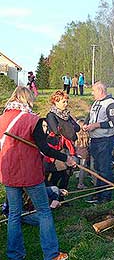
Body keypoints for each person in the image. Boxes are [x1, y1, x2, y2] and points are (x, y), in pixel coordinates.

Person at [0, 86, 75, 260]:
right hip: (29, 174)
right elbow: (45, 149)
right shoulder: (32, 120)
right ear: (27, 99)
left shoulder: (2, 118)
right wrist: (65, 158)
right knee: (44, 212)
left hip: (9, 173)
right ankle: (52, 254)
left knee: (14, 214)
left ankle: (14, 255)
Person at [83, 82, 114, 203]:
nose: (92, 93)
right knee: (98, 168)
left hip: (105, 141)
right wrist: (86, 123)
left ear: (100, 91)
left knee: (104, 169)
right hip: (95, 140)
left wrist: (96, 125)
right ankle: (98, 194)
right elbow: (90, 114)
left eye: (94, 91)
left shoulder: (111, 104)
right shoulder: (96, 102)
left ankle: (105, 196)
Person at [45, 90, 80, 190]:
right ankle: (53, 195)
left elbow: (77, 128)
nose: (66, 104)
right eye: (63, 102)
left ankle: (62, 195)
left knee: (68, 172)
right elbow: (56, 131)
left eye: (66, 101)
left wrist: (67, 128)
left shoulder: (66, 115)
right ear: (56, 102)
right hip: (57, 147)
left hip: (68, 147)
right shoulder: (51, 115)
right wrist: (69, 128)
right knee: (57, 172)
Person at [75, 119, 90, 189]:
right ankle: (80, 184)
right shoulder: (87, 134)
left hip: (76, 153)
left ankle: (78, 178)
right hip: (84, 154)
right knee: (82, 169)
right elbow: (88, 145)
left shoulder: (75, 134)